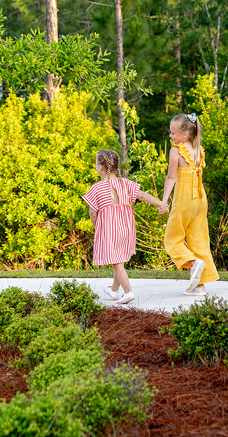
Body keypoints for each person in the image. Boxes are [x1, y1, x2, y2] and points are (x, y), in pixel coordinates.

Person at [83, 149, 168, 305]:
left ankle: (128, 292)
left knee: (116, 262)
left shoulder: (96, 188)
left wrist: (97, 227)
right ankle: (114, 290)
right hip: (126, 228)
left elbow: (92, 212)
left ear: (101, 167)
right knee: (119, 259)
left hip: (110, 229)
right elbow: (142, 195)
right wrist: (160, 203)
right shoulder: (125, 183)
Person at [162, 113, 219, 295]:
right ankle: (199, 286)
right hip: (200, 200)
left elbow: (171, 178)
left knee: (172, 239)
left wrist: (164, 201)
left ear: (185, 134)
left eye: (173, 133)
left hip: (185, 199)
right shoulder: (198, 149)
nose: (171, 136)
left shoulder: (176, 151)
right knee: (199, 240)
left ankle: (194, 263)